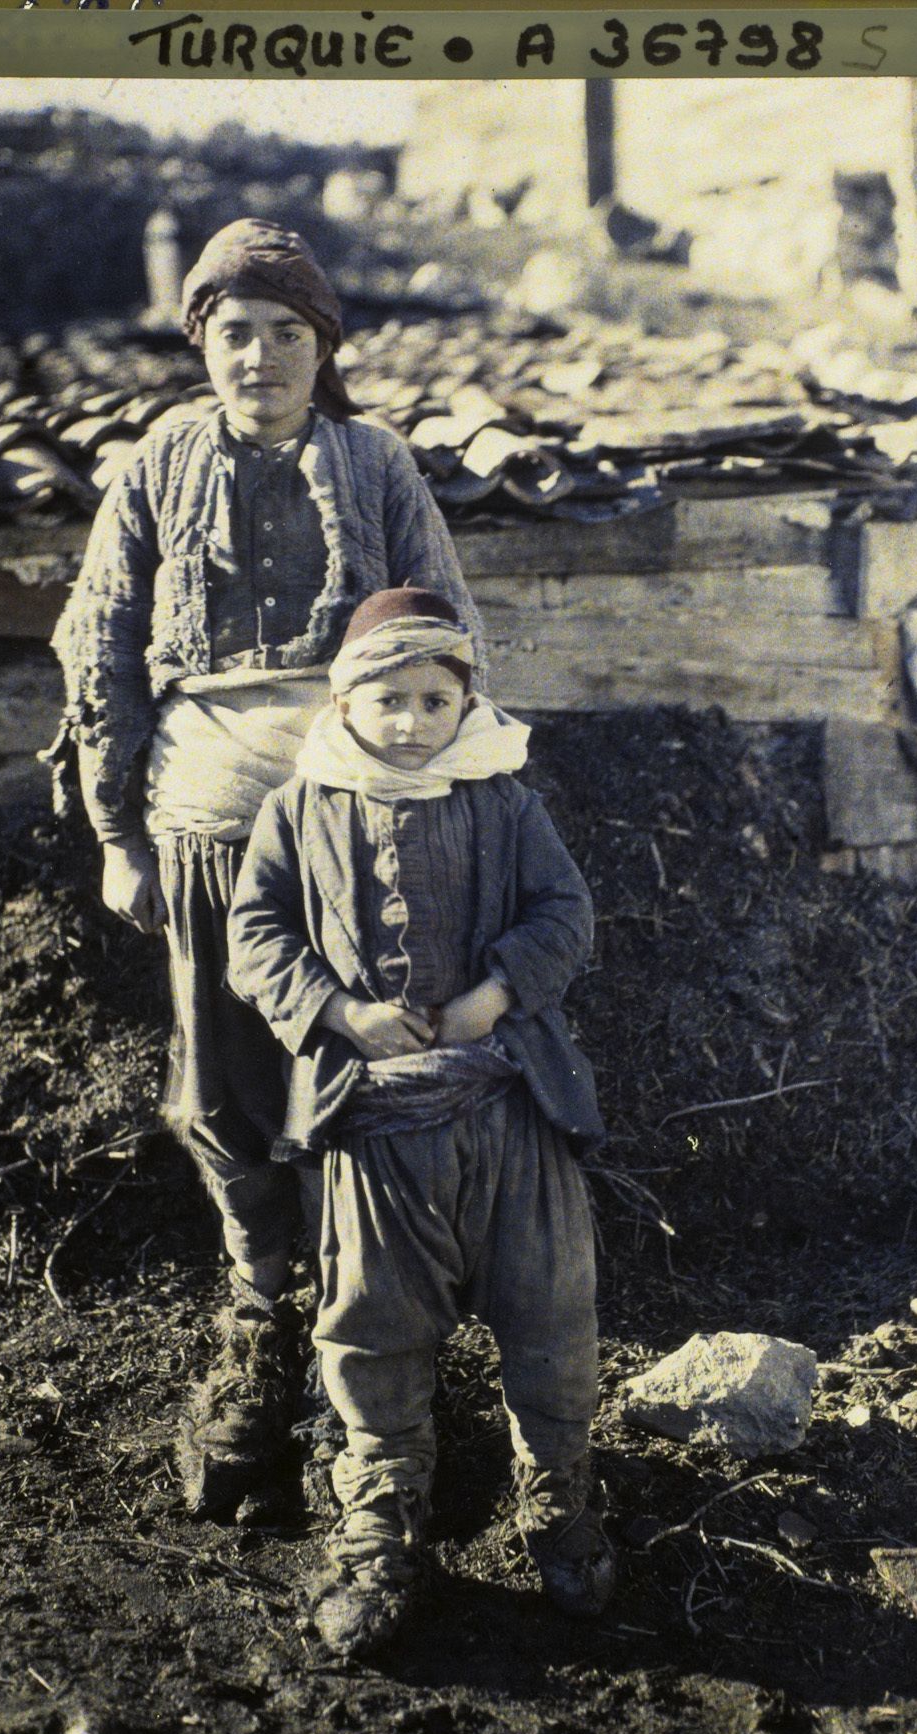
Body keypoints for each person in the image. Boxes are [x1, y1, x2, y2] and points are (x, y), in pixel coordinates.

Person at [49, 219, 484, 1527]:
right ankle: (259, 1324)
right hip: (209, 830)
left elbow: (451, 636)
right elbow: (101, 650)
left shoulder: (376, 463)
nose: (260, 356)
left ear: (322, 346)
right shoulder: (158, 466)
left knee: (368, 1084)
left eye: (286, 332)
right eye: (233, 332)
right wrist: (121, 838)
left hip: (361, 836)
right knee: (232, 1088)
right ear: (202, 346)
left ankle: (382, 1361)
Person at [226, 586, 615, 1657]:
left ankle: (559, 1508)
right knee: (370, 1329)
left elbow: (565, 912)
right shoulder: (300, 809)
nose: (409, 722)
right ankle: (382, 1533)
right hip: (376, 1126)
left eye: (433, 700)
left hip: (505, 1105)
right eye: (387, 699)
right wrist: (340, 1011)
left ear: (464, 703)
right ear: (345, 701)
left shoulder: (502, 799)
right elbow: (253, 935)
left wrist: (497, 992)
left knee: (549, 1316)